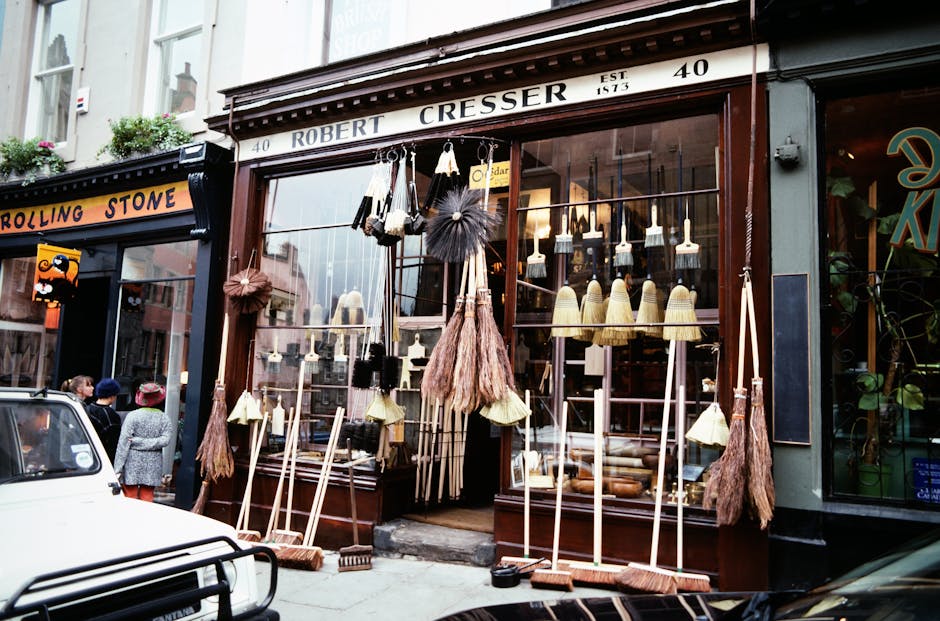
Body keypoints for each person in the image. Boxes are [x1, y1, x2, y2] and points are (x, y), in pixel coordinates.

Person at [113, 382, 172, 502]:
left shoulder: (132, 416)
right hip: (153, 461)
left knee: (130, 496)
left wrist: (117, 468)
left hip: (132, 460)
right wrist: (150, 443)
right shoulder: (164, 417)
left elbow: (123, 443)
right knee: (147, 497)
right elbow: (165, 440)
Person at [85, 378, 123, 462]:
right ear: (112, 396)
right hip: (104, 459)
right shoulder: (111, 415)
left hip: (87, 456)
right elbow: (114, 443)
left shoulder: (86, 409)